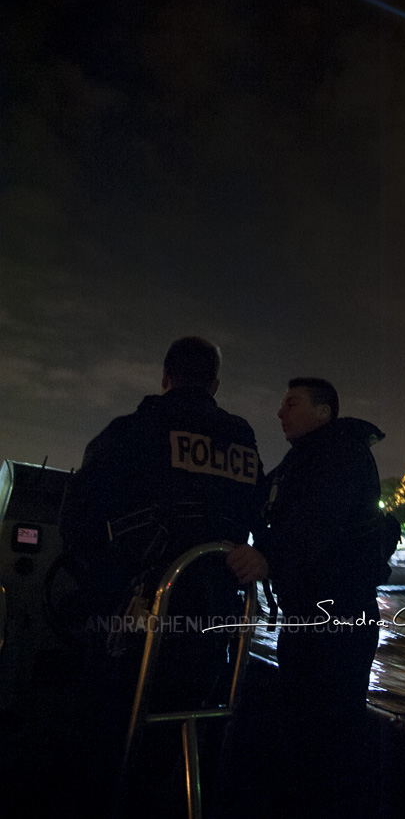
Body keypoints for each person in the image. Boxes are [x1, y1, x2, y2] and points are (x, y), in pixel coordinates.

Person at [59, 336, 267, 817]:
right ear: (215, 384)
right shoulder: (244, 442)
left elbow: (80, 520)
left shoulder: (131, 432)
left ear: (165, 377)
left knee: (102, 728)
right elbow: (254, 513)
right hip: (213, 630)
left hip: (136, 632)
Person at [257, 377, 387, 819]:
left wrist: (266, 559)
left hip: (333, 619)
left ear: (323, 412)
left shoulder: (335, 457)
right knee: (316, 735)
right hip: (317, 615)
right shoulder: (309, 458)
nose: (280, 412)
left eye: (290, 403)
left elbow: (318, 528)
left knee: (321, 737)